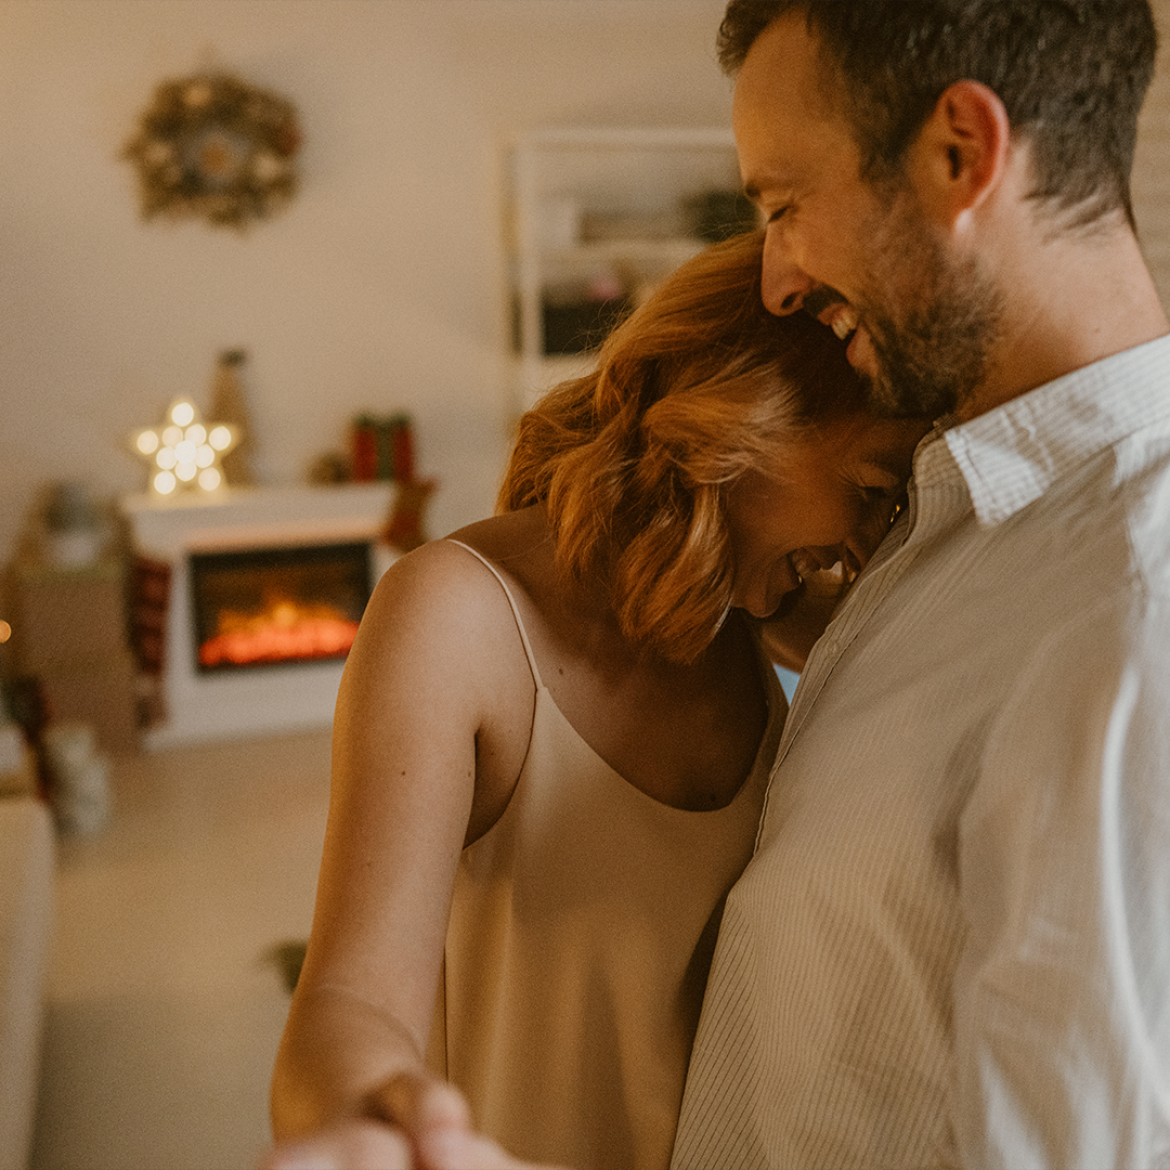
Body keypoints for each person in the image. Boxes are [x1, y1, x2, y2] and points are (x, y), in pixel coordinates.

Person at [264, 229, 928, 1170]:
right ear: (745, 419)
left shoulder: (755, 615)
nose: (871, 542)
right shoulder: (457, 616)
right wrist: (368, 1123)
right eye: (870, 489)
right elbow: (349, 1002)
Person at [670, 2, 1170, 1168]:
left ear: (961, 153)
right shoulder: (964, 516)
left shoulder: (1131, 601)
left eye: (785, 205)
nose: (777, 281)